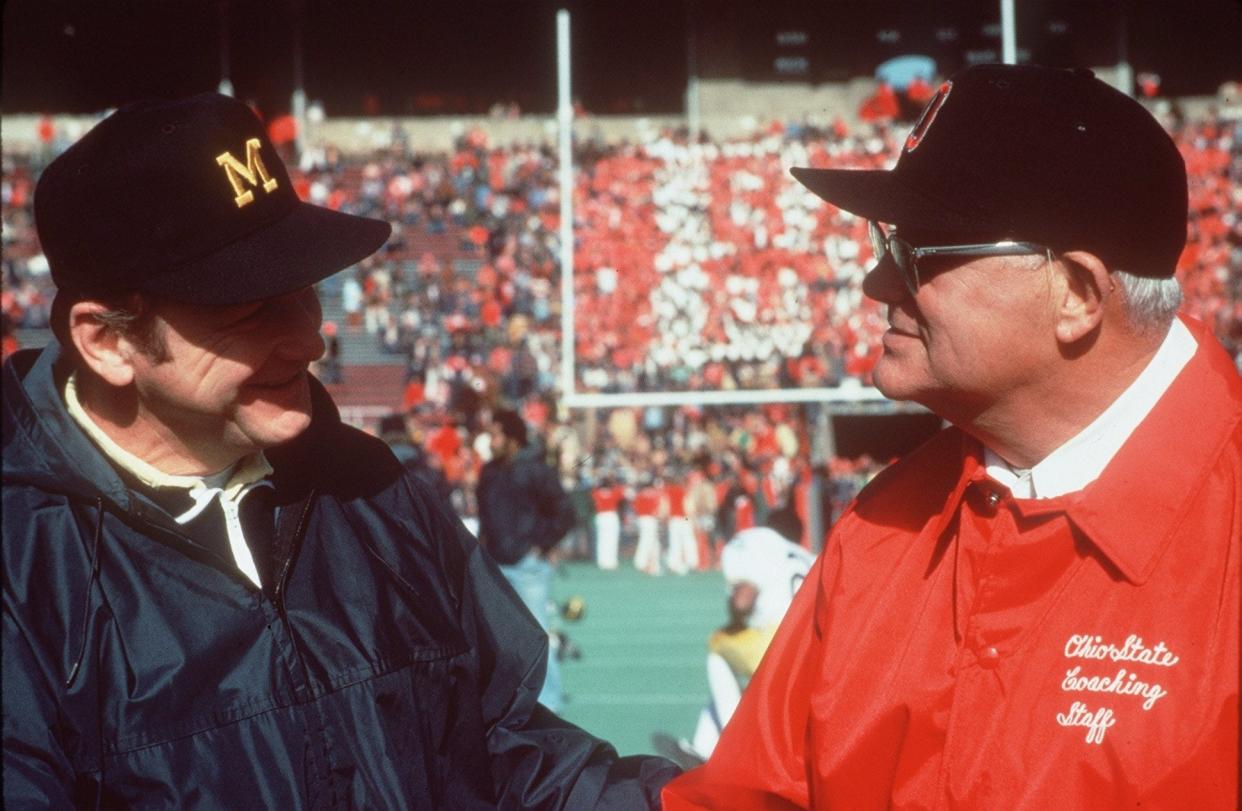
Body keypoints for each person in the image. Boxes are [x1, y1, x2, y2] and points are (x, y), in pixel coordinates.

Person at [2, 93, 677, 809]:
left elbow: (508, 761)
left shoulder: (376, 490)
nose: (309, 339)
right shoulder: (23, 565)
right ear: (106, 341)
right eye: (249, 310)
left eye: (304, 291)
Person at [664, 64, 1240, 809]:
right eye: (886, 241)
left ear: (1078, 294)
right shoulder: (882, 524)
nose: (877, 282)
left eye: (922, 251)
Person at [653, 507, 814, 770]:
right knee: (734, 677)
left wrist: (736, 616)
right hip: (815, 647)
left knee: (719, 648)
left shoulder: (759, 542)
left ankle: (735, 743)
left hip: (779, 642)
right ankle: (703, 749)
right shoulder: (810, 556)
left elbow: (744, 596)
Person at [477, 407, 577, 713]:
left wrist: (541, 545)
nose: (489, 441)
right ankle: (506, 702)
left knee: (536, 633)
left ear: (512, 438)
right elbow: (486, 517)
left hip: (528, 566)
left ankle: (549, 703)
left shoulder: (535, 470)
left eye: (495, 434)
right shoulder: (489, 471)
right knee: (496, 638)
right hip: (495, 565)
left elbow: (564, 511)